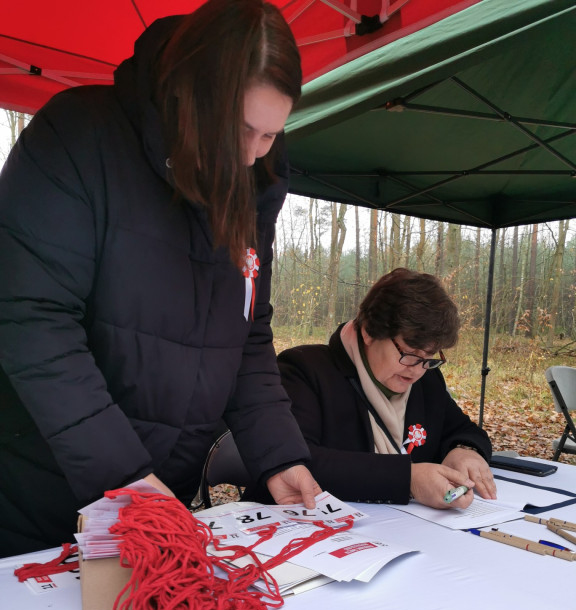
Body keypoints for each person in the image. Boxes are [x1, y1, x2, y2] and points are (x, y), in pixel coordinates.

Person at [0, 0, 321, 557]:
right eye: (241, 130)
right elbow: (30, 319)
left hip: (156, 499)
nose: (250, 156)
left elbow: (247, 335)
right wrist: (120, 474)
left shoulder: (254, 187)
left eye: (270, 135)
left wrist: (279, 456)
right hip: (35, 494)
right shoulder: (78, 137)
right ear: (190, 98)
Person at [274, 268, 496, 510]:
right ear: (369, 331)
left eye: (429, 356)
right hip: (312, 530)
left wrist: (465, 451)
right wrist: (408, 479)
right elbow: (299, 461)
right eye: (409, 352)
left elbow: (463, 429)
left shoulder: (426, 380)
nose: (417, 370)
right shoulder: (305, 370)